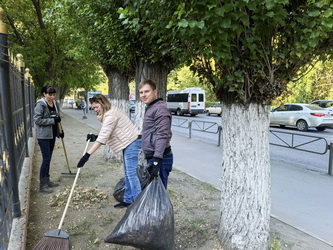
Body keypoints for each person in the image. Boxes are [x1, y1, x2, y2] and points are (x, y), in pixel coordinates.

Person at [76, 94, 142, 208]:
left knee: (131, 174)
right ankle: (128, 200)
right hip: (127, 142)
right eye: (94, 108)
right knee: (127, 173)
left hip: (132, 142)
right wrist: (95, 137)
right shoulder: (108, 113)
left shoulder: (111, 115)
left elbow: (104, 137)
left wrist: (87, 155)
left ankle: (138, 205)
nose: (95, 110)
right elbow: (106, 133)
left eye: (97, 107)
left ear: (102, 103)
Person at [139, 79, 173, 188]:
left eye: (147, 91)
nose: (143, 95)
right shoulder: (151, 107)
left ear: (155, 92)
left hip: (160, 158)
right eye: (141, 92)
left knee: (158, 195)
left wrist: (156, 161)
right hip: (154, 156)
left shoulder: (160, 109)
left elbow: (162, 135)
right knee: (152, 194)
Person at [34, 85, 64, 193]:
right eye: (49, 94)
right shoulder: (40, 105)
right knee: (46, 159)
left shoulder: (55, 104)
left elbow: (58, 119)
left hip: (52, 135)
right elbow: (37, 120)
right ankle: (42, 185)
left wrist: (60, 131)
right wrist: (52, 121)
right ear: (44, 94)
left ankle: (47, 180)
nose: (52, 96)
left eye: (54, 94)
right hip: (43, 136)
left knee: (49, 158)